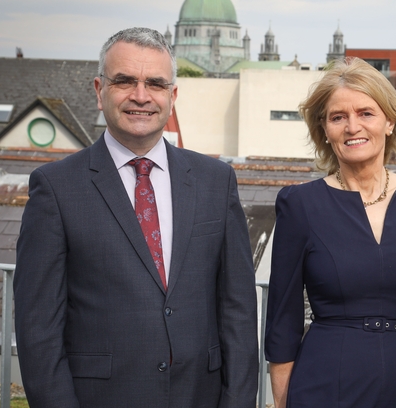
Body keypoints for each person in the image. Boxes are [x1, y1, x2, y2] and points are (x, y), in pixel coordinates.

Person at [14, 27, 258, 408]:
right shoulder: (56, 188)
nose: (141, 96)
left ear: (172, 96)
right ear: (99, 90)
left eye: (156, 84)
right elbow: (37, 329)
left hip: (200, 397)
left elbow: (238, 312)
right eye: (124, 81)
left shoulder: (216, 180)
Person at [264, 57, 396, 408]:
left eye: (366, 113)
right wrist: (280, 402)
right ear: (324, 129)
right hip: (325, 383)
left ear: (390, 121)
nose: (353, 127)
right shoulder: (299, 205)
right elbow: (282, 321)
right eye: (338, 117)